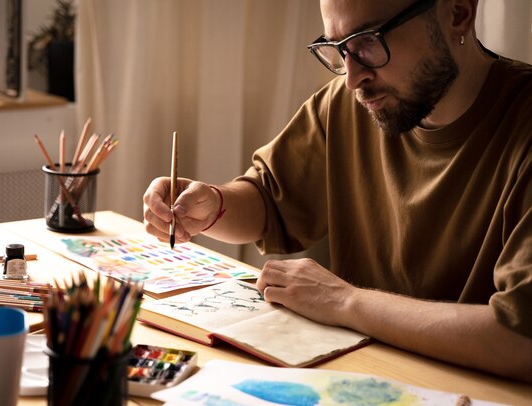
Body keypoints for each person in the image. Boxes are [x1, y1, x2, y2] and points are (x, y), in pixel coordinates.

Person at [143, 0, 532, 382]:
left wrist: (345, 302)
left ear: (458, 13)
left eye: (368, 42)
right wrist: (215, 204)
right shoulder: (352, 104)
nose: (351, 78)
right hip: (359, 378)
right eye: (339, 49)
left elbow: (520, 340)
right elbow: (268, 200)